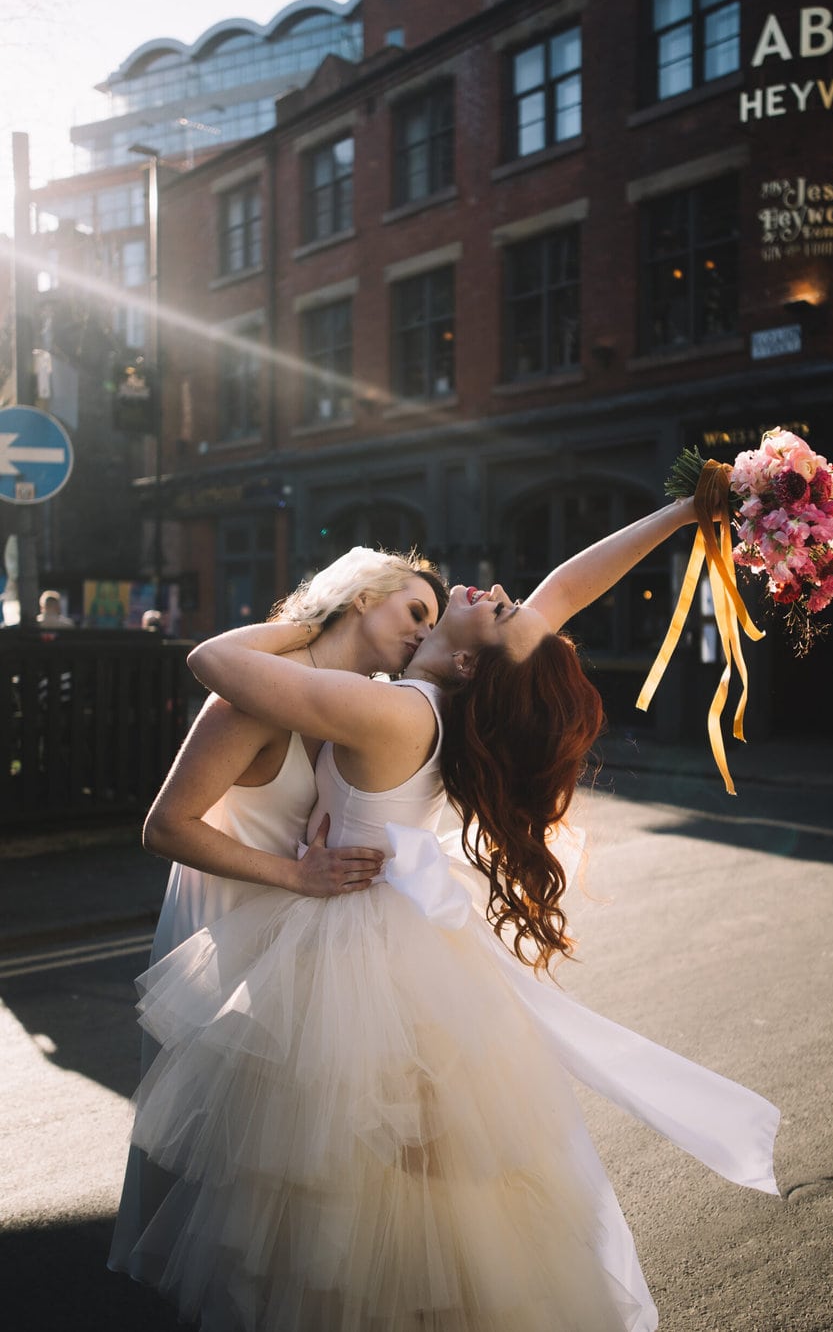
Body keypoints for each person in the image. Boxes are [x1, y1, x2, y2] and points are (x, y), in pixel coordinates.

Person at [120, 500, 780, 1332]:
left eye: (494, 609)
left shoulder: (400, 711)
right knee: (407, 1170)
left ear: (472, 662)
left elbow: (212, 656)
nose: (499, 591)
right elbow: (570, 587)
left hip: (354, 946)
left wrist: (320, 616)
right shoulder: (442, 702)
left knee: (338, 1172)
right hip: (408, 942)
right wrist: (683, 513)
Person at [108, 546, 448, 1286]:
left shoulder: (350, 706)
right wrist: (296, 874)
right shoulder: (249, 698)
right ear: (363, 596)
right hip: (233, 924)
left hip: (303, 938)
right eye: (415, 610)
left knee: (305, 1154)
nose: (426, 630)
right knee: (236, 1157)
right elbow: (166, 827)